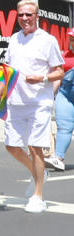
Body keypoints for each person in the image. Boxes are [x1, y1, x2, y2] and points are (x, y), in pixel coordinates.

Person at [0, 0, 63, 213]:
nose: (25, 18)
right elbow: (6, 72)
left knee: (34, 146)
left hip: (39, 102)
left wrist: (41, 78)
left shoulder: (48, 40)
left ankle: (38, 196)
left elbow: (59, 71)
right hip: (15, 101)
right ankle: (39, 173)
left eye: (29, 14)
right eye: (21, 15)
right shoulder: (13, 39)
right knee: (11, 146)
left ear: (37, 16)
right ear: (17, 16)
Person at [49, 31, 74, 172]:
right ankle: (58, 159)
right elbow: (58, 77)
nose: (72, 42)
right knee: (64, 127)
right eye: (71, 39)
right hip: (66, 96)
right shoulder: (64, 57)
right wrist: (50, 95)